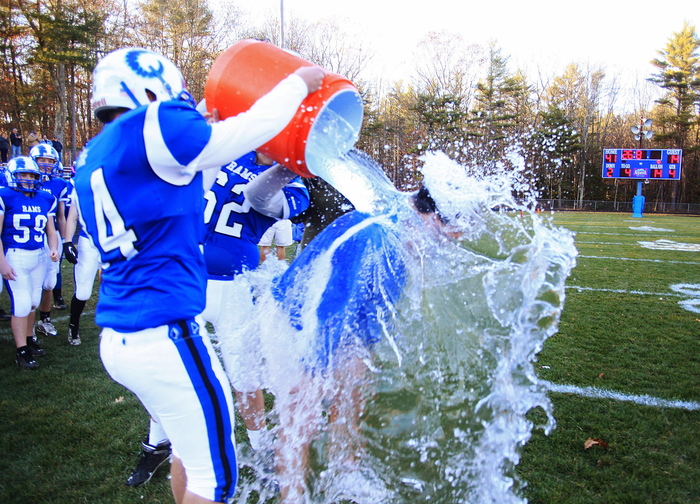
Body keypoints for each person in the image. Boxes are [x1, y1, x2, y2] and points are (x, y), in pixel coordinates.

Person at [71, 47, 324, 504]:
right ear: (151, 92)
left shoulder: (95, 154)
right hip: (164, 332)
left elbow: (187, 186)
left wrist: (206, 129)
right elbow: (253, 127)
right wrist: (299, 83)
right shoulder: (148, 126)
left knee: (188, 453)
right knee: (216, 482)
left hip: (121, 333)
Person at [257, 183, 460, 502]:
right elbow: (328, 313)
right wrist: (313, 373)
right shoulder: (377, 240)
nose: (455, 239)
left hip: (336, 313)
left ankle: (345, 471)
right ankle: (291, 494)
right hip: (296, 319)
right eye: (453, 229)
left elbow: (372, 304)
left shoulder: (403, 225)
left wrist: (361, 354)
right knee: (302, 411)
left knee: (353, 389)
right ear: (429, 215)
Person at [125, 150, 310, 488]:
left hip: (234, 287)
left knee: (245, 377)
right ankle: (157, 444)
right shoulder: (233, 148)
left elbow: (259, 197)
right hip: (187, 275)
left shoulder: (295, 185)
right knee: (167, 368)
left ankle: (260, 448)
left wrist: (288, 166)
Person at [0, 156, 60, 369]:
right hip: (15, 255)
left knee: (33, 302)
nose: (28, 179)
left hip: (39, 256)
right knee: (22, 304)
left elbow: (51, 231)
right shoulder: (4, 195)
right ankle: (21, 350)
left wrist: (53, 248)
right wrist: (2, 263)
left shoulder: (45, 198)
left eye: (31, 175)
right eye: (23, 174)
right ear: (12, 176)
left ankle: (29, 338)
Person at [29, 144, 69, 338]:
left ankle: (44, 320)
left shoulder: (59, 183)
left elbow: (61, 216)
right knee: (30, 281)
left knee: (49, 283)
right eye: (41, 160)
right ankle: (27, 322)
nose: (45, 164)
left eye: (50, 161)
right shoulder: (22, 182)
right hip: (29, 237)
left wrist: (65, 240)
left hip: (51, 236)